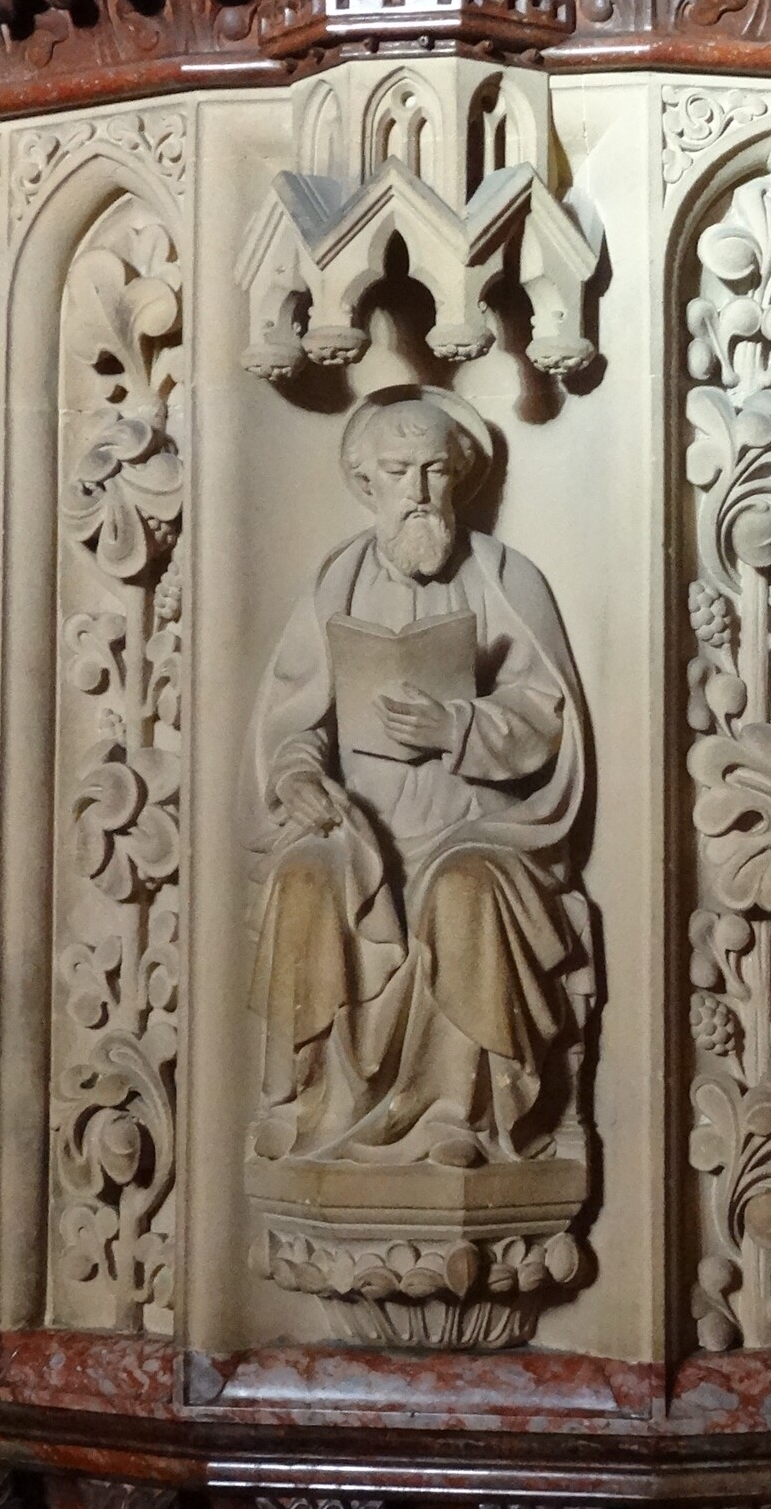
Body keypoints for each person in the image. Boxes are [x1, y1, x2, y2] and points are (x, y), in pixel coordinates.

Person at [247, 388, 593, 1170]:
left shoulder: (504, 577)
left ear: (460, 477)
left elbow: (547, 712)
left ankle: (457, 1116)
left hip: (479, 827)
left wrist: (457, 728)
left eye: (435, 471)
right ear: (365, 480)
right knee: (304, 878)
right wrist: (298, 775)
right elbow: (296, 718)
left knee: (467, 892)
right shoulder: (335, 582)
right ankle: (308, 1106)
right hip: (359, 830)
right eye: (399, 471)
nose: (419, 492)